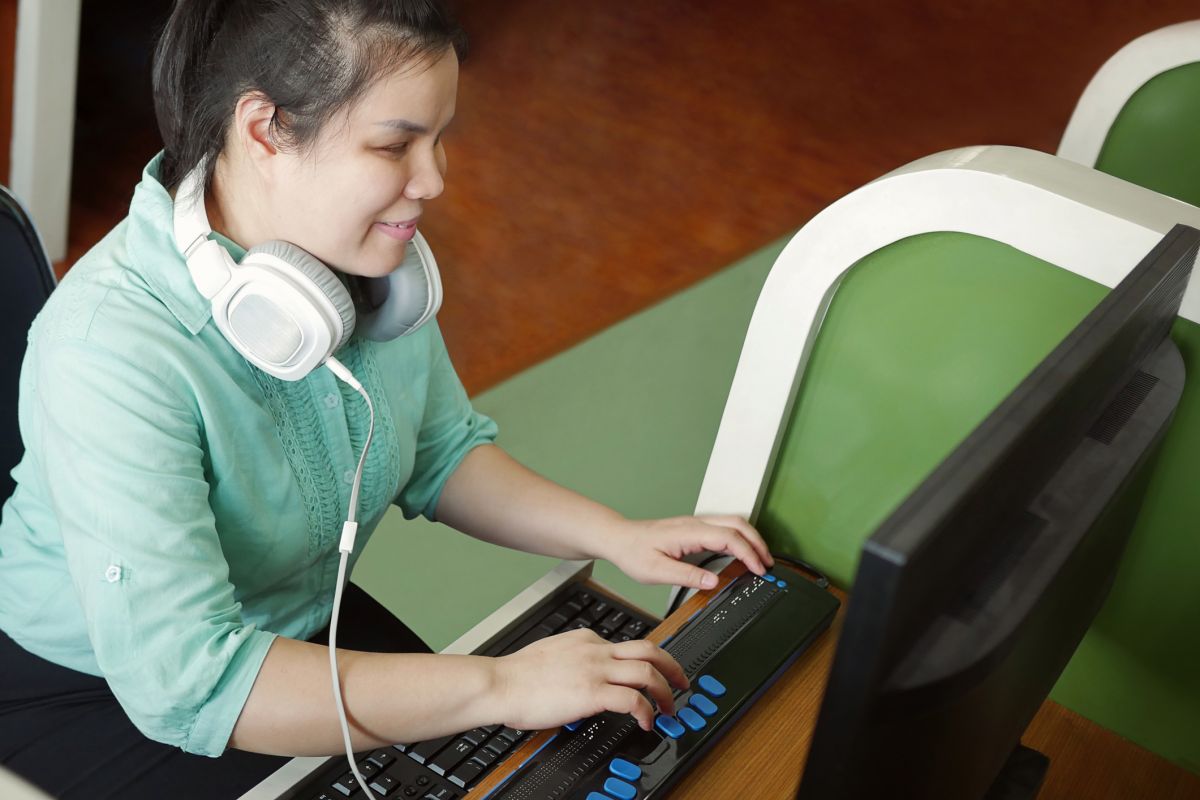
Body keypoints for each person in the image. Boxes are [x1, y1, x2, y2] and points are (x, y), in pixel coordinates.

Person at [0, 1, 774, 798]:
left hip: (295, 628)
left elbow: (441, 449)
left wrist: (617, 535)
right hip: (100, 687)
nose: (434, 180)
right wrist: (501, 686)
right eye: (395, 144)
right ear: (264, 128)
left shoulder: (360, 267)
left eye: (438, 139)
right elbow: (191, 680)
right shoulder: (109, 347)